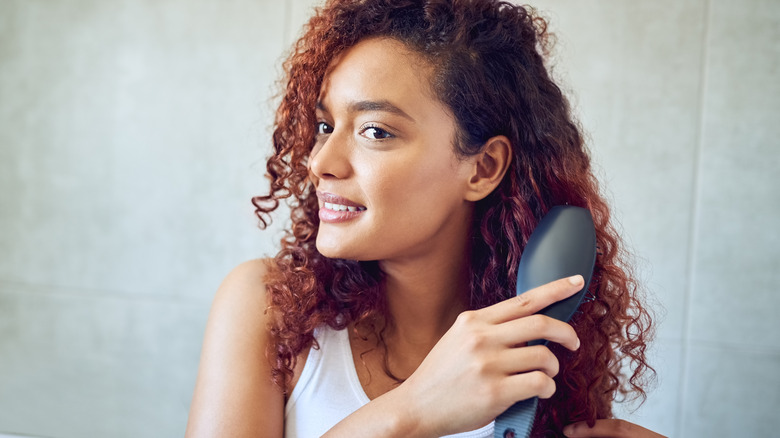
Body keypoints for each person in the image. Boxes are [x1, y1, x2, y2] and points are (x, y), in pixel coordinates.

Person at [185, 0, 665, 437]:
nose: (321, 162)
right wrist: (409, 411)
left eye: (375, 131)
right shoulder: (268, 309)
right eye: (326, 126)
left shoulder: (537, 353)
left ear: (483, 168)